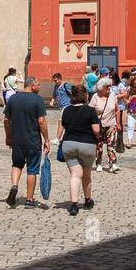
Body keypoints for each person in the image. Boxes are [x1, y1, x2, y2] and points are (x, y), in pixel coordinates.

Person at [4, 76, 49, 209]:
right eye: (38, 84)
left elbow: (6, 120)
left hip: (17, 139)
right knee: (32, 169)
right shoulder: (37, 100)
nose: (40, 87)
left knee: (17, 164)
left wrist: (8, 136)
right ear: (32, 85)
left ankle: (14, 185)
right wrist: (46, 139)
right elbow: (41, 121)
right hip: (33, 140)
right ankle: (29, 199)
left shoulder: (13, 99)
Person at [58, 85, 101, 216]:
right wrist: (98, 138)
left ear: (72, 96)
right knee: (86, 174)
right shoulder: (90, 111)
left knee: (75, 174)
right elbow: (96, 130)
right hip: (87, 145)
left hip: (69, 144)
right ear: (86, 96)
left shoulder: (66, 110)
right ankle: (88, 200)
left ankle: (73, 205)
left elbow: (63, 125)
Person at [89, 78, 122, 173]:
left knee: (111, 145)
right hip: (98, 126)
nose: (109, 88)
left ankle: (113, 164)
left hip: (111, 125)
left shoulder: (113, 96)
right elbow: (90, 111)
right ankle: (99, 163)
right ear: (101, 87)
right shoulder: (95, 97)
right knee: (99, 145)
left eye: (110, 86)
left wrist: (118, 123)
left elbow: (117, 110)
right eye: (107, 86)